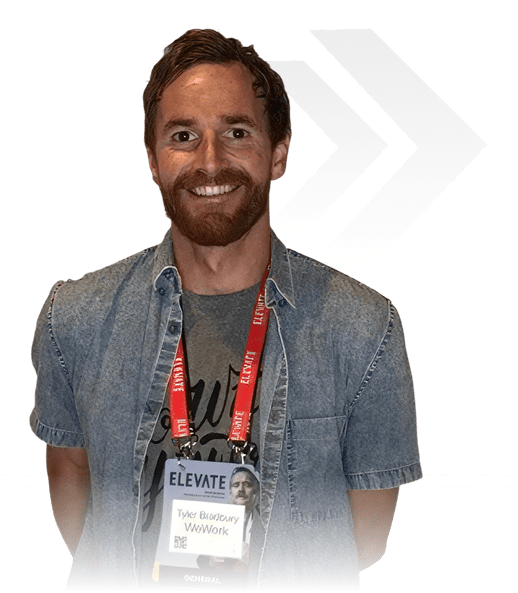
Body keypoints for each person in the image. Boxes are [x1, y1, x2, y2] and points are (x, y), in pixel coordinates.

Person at [29, 28, 422, 591]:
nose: (209, 162)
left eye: (236, 132)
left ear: (278, 153)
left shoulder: (363, 329)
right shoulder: (75, 319)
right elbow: (79, 500)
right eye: (183, 136)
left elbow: (364, 539)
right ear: (153, 160)